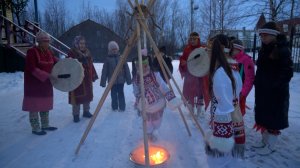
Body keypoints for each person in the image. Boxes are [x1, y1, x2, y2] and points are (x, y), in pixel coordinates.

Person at [252, 21, 293, 155]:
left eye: (265, 36)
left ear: (273, 35)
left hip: (276, 93)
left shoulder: (282, 49)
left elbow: (286, 72)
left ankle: (271, 146)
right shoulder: (264, 49)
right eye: (261, 36)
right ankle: (264, 142)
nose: (262, 38)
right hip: (263, 91)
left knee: (273, 120)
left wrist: (275, 86)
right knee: (264, 117)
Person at [205, 34, 243, 157]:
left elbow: (224, 106)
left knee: (221, 159)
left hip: (225, 124)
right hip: (232, 117)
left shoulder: (221, 73)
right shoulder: (231, 68)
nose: (207, 54)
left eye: (208, 51)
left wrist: (219, 141)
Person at [132, 53, 181, 141]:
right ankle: (149, 134)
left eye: (146, 66)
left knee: (157, 122)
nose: (144, 68)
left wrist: (171, 98)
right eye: (141, 66)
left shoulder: (155, 75)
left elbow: (163, 86)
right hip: (146, 106)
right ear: (137, 67)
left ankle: (155, 131)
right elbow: (136, 90)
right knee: (147, 123)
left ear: (148, 65)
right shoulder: (136, 79)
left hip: (158, 103)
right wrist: (139, 98)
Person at [22, 31, 58, 135]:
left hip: (46, 84)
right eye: (45, 41)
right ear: (39, 42)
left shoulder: (49, 52)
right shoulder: (32, 52)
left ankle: (45, 124)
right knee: (34, 106)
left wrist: (66, 63)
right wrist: (47, 75)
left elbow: (56, 62)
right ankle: (35, 128)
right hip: (33, 85)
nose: (47, 43)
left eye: (48, 41)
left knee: (45, 104)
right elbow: (31, 68)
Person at [67, 36, 98, 123]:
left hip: (86, 78)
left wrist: (93, 74)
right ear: (76, 43)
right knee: (77, 97)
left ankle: (86, 111)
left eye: (84, 43)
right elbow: (69, 64)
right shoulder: (72, 52)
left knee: (87, 95)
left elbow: (90, 65)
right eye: (80, 43)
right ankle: (76, 114)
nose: (82, 45)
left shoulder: (87, 52)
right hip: (77, 78)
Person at [100, 41, 132, 112]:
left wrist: (129, 80)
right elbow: (104, 71)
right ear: (110, 50)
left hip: (121, 80)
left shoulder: (122, 58)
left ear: (118, 49)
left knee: (121, 93)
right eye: (112, 49)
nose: (114, 51)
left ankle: (122, 107)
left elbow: (126, 69)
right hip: (112, 81)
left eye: (115, 49)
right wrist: (103, 82)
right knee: (113, 94)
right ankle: (114, 107)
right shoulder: (107, 60)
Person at [179, 32, 204, 118]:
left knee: (200, 93)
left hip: (200, 76)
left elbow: (206, 61)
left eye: (194, 39)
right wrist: (183, 62)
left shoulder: (202, 49)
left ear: (198, 39)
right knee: (190, 93)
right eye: (191, 39)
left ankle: (199, 111)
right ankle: (191, 110)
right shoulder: (187, 49)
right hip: (190, 75)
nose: (192, 41)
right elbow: (183, 59)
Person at [230, 39, 255, 116]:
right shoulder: (231, 58)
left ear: (239, 49)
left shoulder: (246, 60)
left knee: (238, 110)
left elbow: (249, 78)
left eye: (233, 50)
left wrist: (243, 93)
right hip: (230, 89)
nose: (231, 51)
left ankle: (238, 123)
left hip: (240, 91)